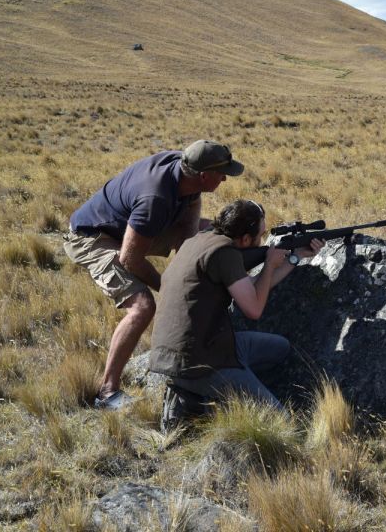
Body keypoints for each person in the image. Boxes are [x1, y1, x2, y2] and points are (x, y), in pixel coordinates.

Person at [63, 140, 243, 409]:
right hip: (93, 237)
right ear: (204, 176)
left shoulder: (186, 169)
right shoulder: (154, 200)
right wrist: (169, 288)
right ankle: (107, 391)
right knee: (143, 307)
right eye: (222, 173)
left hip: (127, 226)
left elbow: (188, 229)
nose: (225, 179)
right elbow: (130, 259)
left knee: (209, 235)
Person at [148, 200, 323, 430]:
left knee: (280, 348)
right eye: (260, 235)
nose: (263, 241)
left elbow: (249, 287)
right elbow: (254, 310)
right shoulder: (225, 253)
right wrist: (269, 264)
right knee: (284, 423)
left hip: (182, 354)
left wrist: (294, 257)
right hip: (202, 364)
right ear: (246, 240)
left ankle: (220, 389)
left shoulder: (200, 239)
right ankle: (207, 401)